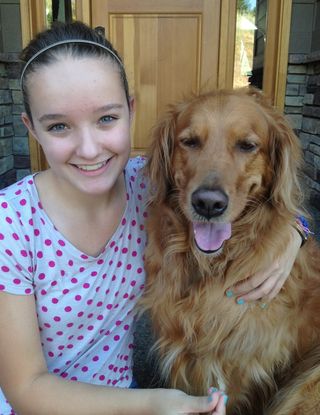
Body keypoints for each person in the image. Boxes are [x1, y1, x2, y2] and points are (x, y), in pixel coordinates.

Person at [0, 21, 304, 415]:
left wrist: (298, 233)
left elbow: (277, 203)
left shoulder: (146, 187)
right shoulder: (11, 224)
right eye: (59, 126)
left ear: (130, 110)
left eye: (106, 119)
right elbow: (26, 388)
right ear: (32, 129)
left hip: (121, 392)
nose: (90, 150)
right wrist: (155, 402)